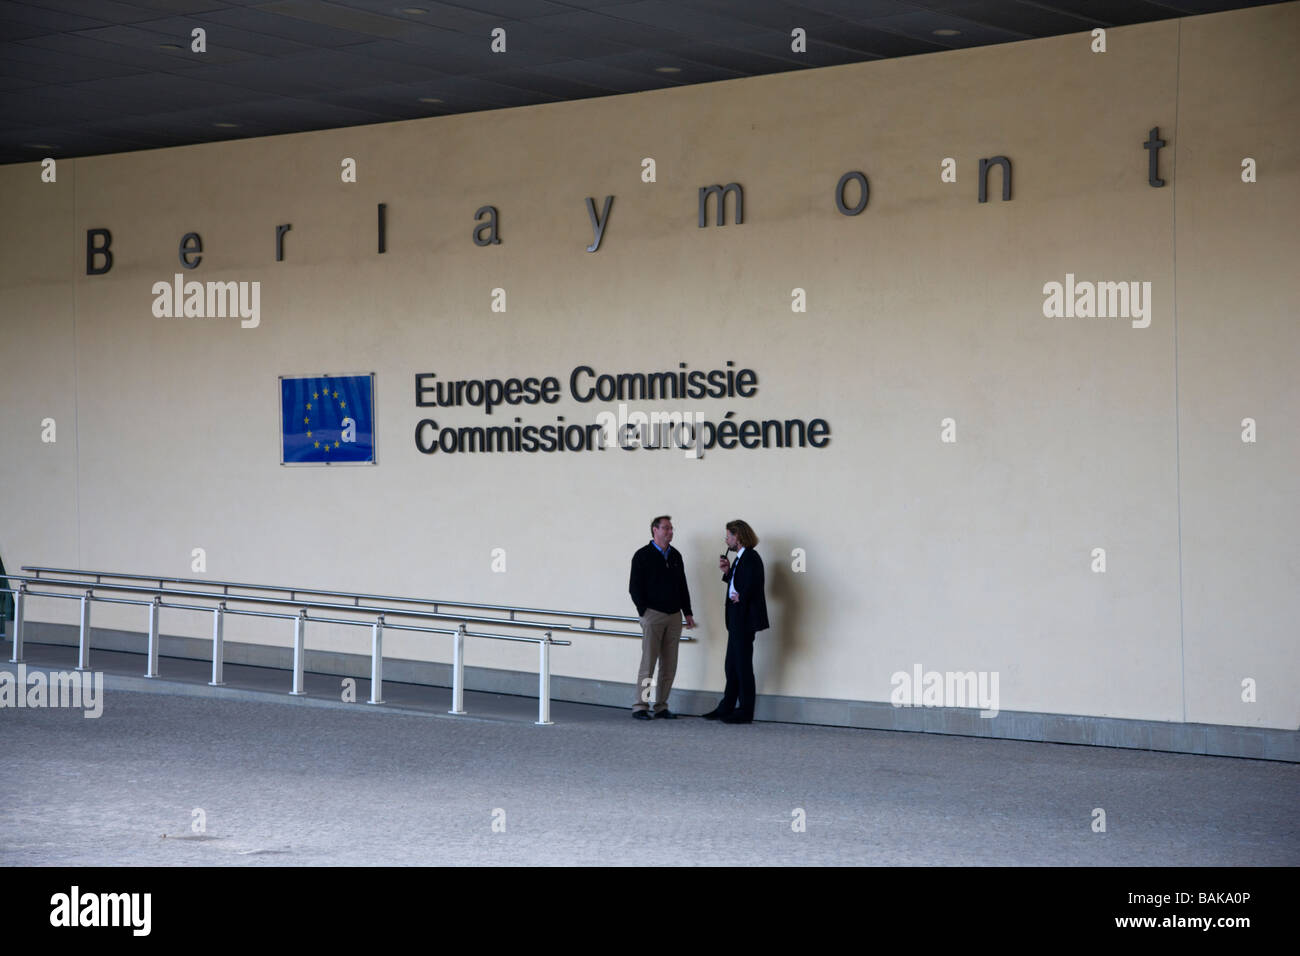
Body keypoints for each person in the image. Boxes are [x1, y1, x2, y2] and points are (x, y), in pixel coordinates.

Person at [628, 515, 696, 719]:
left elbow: (682, 585)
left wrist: (688, 612)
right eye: (666, 528)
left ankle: (661, 706)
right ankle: (641, 705)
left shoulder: (675, 555)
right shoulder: (642, 555)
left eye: (671, 528)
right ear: (655, 530)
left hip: (674, 615)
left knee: (669, 664)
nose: (670, 532)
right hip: (653, 615)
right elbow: (634, 588)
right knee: (649, 662)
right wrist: (644, 612)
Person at [703, 519, 769, 724]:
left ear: (737, 536)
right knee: (731, 665)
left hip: (744, 620)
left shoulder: (751, 557)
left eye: (728, 536)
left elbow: (755, 583)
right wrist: (727, 572)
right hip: (735, 619)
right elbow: (740, 582)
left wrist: (743, 596)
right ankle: (727, 707)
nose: (726, 539)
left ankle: (745, 711)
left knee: (742, 666)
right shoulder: (741, 558)